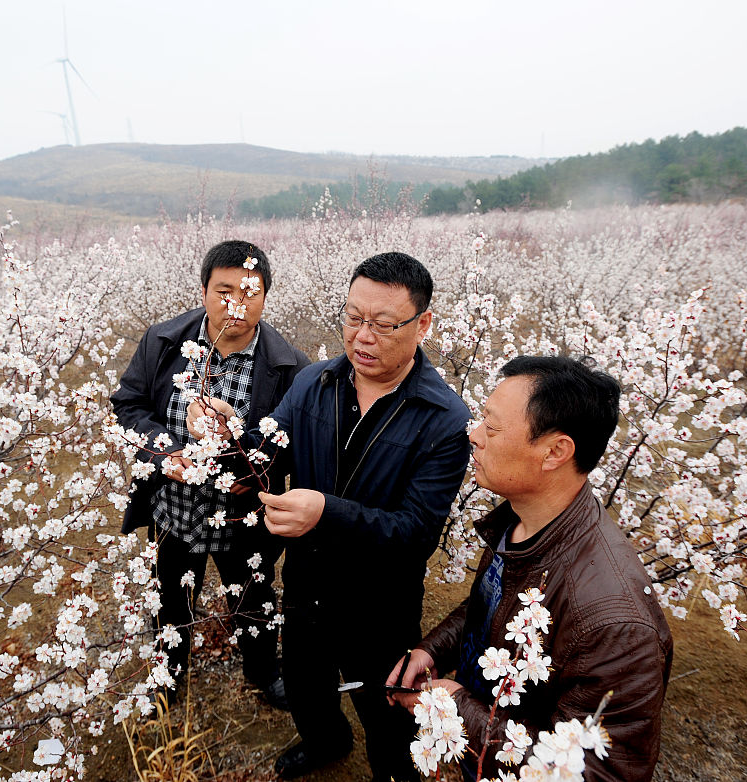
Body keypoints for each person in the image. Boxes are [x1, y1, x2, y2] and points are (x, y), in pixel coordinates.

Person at [195, 252, 471, 780]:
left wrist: (323, 512)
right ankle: (325, 743)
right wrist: (226, 435)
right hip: (304, 582)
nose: (362, 337)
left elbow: (415, 534)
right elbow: (267, 448)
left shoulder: (443, 419)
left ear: (423, 323)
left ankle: (393, 769)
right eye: (352, 318)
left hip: (379, 603)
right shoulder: (315, 383)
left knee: (386, 707)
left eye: (384, 325)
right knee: (306, 684)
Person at [386, 355, 673, 782]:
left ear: (556, 451)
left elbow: (602, 772)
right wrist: (434, 649)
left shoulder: (615, 622)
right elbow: (492, 604)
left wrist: (458, 707)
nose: (475, 436)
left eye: (493, 428)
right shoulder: (522, 522)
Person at [110, 239, 309, 708]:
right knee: (171, 600)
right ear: (202, 291)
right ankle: (167, 676)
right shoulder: (163, 342)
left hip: (243, 518)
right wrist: (168, 454)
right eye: (223, 291)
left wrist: (239, 442)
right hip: (172, 510)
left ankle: (263, 672)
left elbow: (293, 447)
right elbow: (129, 405)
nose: (235, 304)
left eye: (250, 292)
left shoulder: (290, 367)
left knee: (255, 600)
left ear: (265, 297)